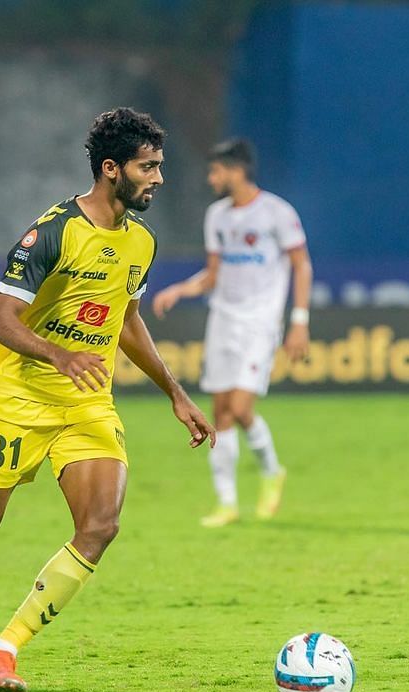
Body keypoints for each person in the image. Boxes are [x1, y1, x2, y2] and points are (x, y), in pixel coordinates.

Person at [0, 108, 216, 692]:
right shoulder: (53, 232)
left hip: (86, 403)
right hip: (18, 399)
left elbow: (126, 319)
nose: (159, 178)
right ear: (111, 170)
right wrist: (60, 356)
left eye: (160, 165)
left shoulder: (141, 240)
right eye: (149, 166)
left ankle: (1, 649)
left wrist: (176, 392)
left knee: (100, 526)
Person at [152, 138, 312, 527]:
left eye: (215, 171)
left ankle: (272, 472)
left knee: (241, 409)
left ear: (236, 170)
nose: (211, 178)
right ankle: (227, 503)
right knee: (220, 412)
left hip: (259, 323)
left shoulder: (277, 212)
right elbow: (212, 274)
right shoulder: (217, 216)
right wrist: (180, 289)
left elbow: (301, 265)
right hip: (223, 319)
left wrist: (300, 321)